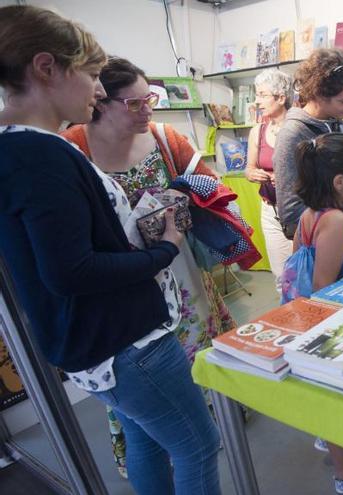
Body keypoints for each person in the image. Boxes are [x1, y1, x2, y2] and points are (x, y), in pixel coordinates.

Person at [0, 6, 220, 494]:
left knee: (149, 441)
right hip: (127, 342)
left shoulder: (24, 147)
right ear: (46, 68)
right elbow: (71, 270)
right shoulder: (41, 154)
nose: (98, 90)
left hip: (104, 344)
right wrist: (164, 248)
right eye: (92, 74)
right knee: (198, 447)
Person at [62, 57, 236, 478]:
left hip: (181, 276)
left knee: (190, 368)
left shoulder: (164, 137)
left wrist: (187, 197)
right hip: (124, 289)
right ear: (101, 101)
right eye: (135, 103)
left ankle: (199, 422)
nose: (147, 110)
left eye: (150, 99)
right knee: (147, 409)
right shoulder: (72, 149)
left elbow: (212, 187)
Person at [279, 133, 343, 494]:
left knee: (327, 393)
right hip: (335, 320)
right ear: (340, 182)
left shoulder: (311, 215)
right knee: (335, 395)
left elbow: (298, 263)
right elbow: (325, 285)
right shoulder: (337, 221)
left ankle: (330, 440)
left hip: (312, 315)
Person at [274, 48, 343, 245]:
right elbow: (291, 215)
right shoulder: (292, 134)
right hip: (326, 249)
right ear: (319, 95)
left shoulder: (335, 121)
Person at [244, 68, 294, 284]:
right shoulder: (258, 130)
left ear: (281, 97)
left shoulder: (298, 128)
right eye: (257, 94)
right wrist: (253, 174)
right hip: (271, 210)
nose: (257, 101)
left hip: (299, 209)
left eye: (263, 95)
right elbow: (249, 168)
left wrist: (285, 179)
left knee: (305, 270)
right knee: (281, 276)